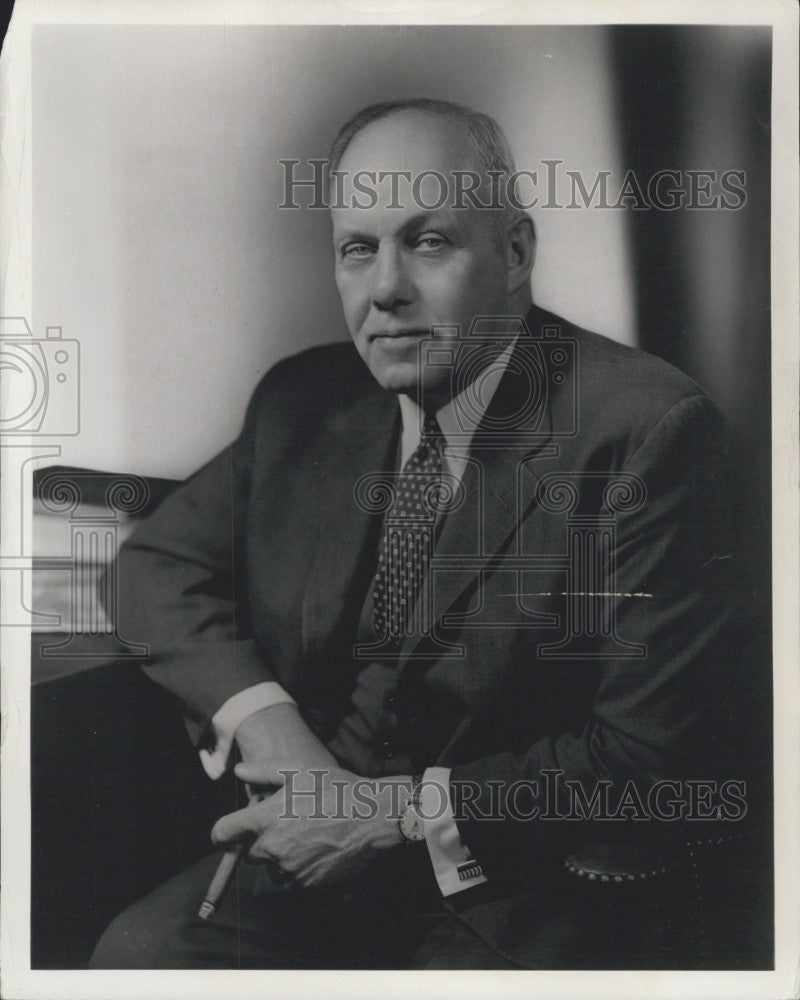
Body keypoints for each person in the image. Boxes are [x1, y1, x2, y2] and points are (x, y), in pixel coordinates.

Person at [89, 98, 740, 970]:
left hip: (511, 884)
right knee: (136, 960)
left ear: (515, 253)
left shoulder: (645, 432)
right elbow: (152, 567)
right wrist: (279, 737)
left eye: (428, 241)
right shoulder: (304, 402)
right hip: (311, 846)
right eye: (358, 249)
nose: (385, 287)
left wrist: (388, 815)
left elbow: (642, 759)